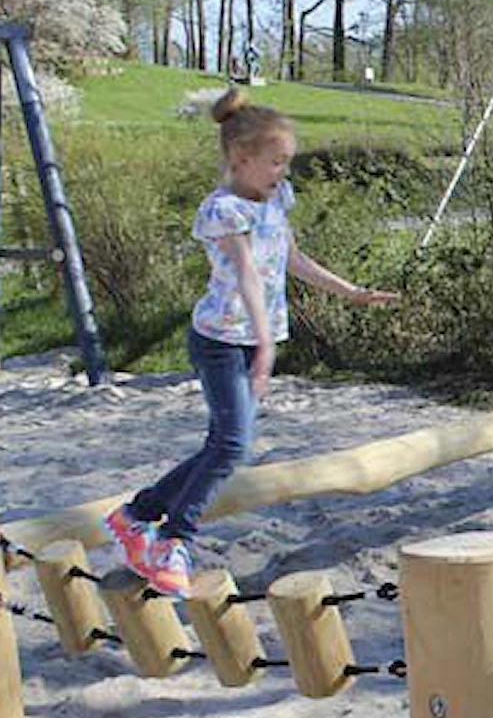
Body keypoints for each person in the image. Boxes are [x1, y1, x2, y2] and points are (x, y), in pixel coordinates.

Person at [105, 88, 397, 596]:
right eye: (276, 161)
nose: (283, 171)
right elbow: (245, 275)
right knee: (232, 445)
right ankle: (173, 539)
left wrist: (350, 291)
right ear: (242, 158)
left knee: (223, 446)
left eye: (287, 161)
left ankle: (137, 515)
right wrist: (266, 344)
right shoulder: (223, 210)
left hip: (249, 341)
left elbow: (291, 259)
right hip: (221, 341)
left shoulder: (276, 200)